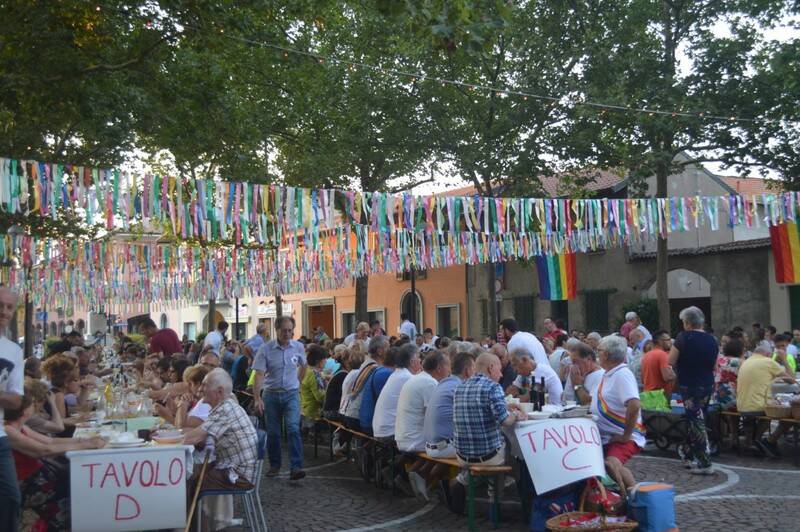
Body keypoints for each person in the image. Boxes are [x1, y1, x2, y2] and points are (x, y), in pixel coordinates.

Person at [4, 388, 105, 531]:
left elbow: (50, 442)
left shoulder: (21, 427)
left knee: (78, 481)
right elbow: (43, 450)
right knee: (76, 487)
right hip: (28, 484)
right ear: (25, 410)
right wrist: (85, 444)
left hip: (38, 476)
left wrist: (84, 440)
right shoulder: (8, 430)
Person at [452, 353, 526, 509]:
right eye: (499, 370)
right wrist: (516, 414)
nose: (500, 375)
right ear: (491, 368)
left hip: (461, 456)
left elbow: (481, 408)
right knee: (517, 458)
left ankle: (463, 479)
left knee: (501, 446)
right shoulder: (493, 387)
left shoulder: (460, 386)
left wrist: (506, 407)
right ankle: (505, 503)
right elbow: (505, 421)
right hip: (487, 457)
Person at [183, 369, 259, 520]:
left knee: (190, 480)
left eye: (205, 385)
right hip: (234, 467)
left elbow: (194, 438)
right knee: (192, 473)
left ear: (219, 392)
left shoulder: (224, 410)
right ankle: (194, 524)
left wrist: (162, 438)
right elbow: (201, 437)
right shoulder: (226, 405)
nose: (200, 389)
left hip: (238, 474)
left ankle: (192, 526)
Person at [252, 316, 307, 480]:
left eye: (290, 330)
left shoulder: (298, 347)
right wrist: (257, 398)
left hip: (291, 394)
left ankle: (296, 467)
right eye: (284, 330)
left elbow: (304, 365)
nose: (287, 334)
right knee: (274, 432)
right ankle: (275, 465)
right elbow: (259, 375)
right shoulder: (266, 349)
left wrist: (298, 381)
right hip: (271, 394)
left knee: (293, 428)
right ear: (276, 330)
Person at [668, 306, 718, 474]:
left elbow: (671, 360)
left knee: (696, 422)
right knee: (696, 418)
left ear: (688, 323)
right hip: (706, 383)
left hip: (689, 385)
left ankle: (705, 463)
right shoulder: (712, 339)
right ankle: (689, 455)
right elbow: (714, 365)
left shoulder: (683, 338)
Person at [592, 335, 645, 489]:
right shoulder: (609, 373)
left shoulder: (622, 374)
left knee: (611, 463)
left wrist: (625, 436)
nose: (597, 354)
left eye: (599, 350)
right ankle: (628, 493)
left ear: (606, 354)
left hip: (624, 435)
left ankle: (630, 496)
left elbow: (634, 405)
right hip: (608, 435)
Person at [737, 342, 796, 455]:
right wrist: (784, 360)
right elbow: (792, 380)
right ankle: (767, 441)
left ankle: (751, 443)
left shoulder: (746, 361)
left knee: (759, 410)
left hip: (741, 405)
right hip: (759, 406)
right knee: (786, 412)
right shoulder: (768, 361)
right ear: (768, 353)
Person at [0, 287, 24, 531]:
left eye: (9, 306)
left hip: (0, 438)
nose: (4, 311)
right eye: (0, 305)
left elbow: (17, 401)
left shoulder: (13, 351)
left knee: (11, 499)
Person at [396, 351, 450, 453]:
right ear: (439, 368)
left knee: (444, 444)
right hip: (415, 441)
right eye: (448, 365)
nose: (449, 370)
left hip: (405, 438)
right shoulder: (430, 383)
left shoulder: (419, 378)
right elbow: (434, 419)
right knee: (452, 446)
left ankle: (417, 469)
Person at [424, 352, 475, 458]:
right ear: (468, 371)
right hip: (443, 448)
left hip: (432, 446)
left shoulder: (444, 384)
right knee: (492, 446)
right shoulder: (460, 387)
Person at [373, 343, 421, 438]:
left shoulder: (398, 374)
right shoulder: (406, 377)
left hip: (382, 428)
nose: (420, 360)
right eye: (419, 358)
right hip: (390, 431)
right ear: (412, 362)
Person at [358, 338, 393, 434]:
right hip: (365, 418)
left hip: (359, 414)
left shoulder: (368, 364)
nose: (390, 350)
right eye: (388, 347)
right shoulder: (376, 368)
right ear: (380, 351)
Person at [641, 330, 676, 398]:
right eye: (668, 340)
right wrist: (674, 375)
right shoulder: (662, 354)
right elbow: (667, 377)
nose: (670, 342)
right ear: (660, 341)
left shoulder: (646, 356)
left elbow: (643, 379)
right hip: (660, 397)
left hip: (648, 396)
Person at [300, 344, 329, 424]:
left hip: (304, 409)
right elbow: (320, 397)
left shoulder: (305, 370)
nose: (326, 361)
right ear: (318, 361)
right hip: (314, 414)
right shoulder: (315, 374)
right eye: (324, 359)